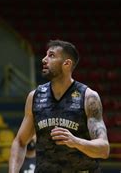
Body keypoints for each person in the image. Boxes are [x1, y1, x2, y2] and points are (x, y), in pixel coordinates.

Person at [8, 40, 110, 173]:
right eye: (45, 55)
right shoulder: (35, 96)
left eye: (51, 55)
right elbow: (20, 142)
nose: (44, 59)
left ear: (67, 63)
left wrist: (75, 142)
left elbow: (104, 149)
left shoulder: (88, 97)